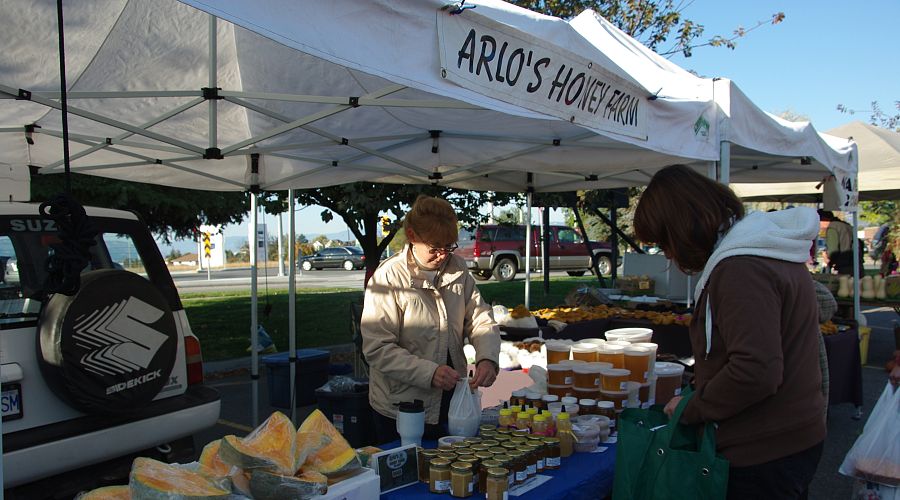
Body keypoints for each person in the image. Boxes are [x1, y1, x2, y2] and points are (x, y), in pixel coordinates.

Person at [633, 165, 826, 499]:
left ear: (684, 227)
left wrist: (691, 408)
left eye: (665, 241)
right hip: (790, 438)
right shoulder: (763, 251)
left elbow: (756, 369)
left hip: (763, 451)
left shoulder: (741, 268)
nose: (667, 253)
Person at [361, 195, 500, 444]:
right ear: (412, 236)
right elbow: (377, 348)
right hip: (400, 407)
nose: (443, 255)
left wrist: (487, 357)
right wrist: (429, 372)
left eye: (449, 246)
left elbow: (479, 318)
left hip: (449, 398)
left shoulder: (457, 268)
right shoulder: (388, 278)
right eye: (435, 247)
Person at [818, 209, 862, 275]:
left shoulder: (833, 227)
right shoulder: (847, 225)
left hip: (844, 267)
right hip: (856, 264)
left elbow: (833, 250)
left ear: (823, 219)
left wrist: (828, 259)